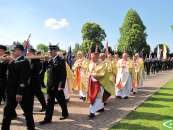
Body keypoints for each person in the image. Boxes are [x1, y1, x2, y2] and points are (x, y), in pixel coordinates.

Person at [1, 44, 35, 130]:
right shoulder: (12, 61)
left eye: (13, 50)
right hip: (10, 93)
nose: (11, 52)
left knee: (27, 113)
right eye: (12, 50)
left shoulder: (24, 61)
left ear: (20, 51)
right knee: (7, 114)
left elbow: (23, 79)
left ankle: (31, 128)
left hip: (21, 93)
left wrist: (19, 92)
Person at [39, 45, 68, 125]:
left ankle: (65, 114)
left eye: (51, 51)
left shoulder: (61, 60)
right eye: (49, 51)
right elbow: (44, 69)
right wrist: (45, 61)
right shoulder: (49, 60)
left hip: (57, 86)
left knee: (61, 101)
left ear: (55, 51)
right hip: (50, 85)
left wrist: (61, 85)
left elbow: (63, 74)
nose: (49, 53)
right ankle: (47, 119)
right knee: (49, 103)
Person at [87, 50, 104, 119]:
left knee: (97, 96)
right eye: (91, 57)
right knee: (93, 96)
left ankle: (92, 112)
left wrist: (94, 74)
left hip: (99, 82)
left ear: (97, 57)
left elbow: (103, 74)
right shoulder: (90, 64)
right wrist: (89, 75)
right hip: (91, 82)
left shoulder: (101, 64)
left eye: (93, 57)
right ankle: (101, 107)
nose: (92, 58)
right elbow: (87, 72)